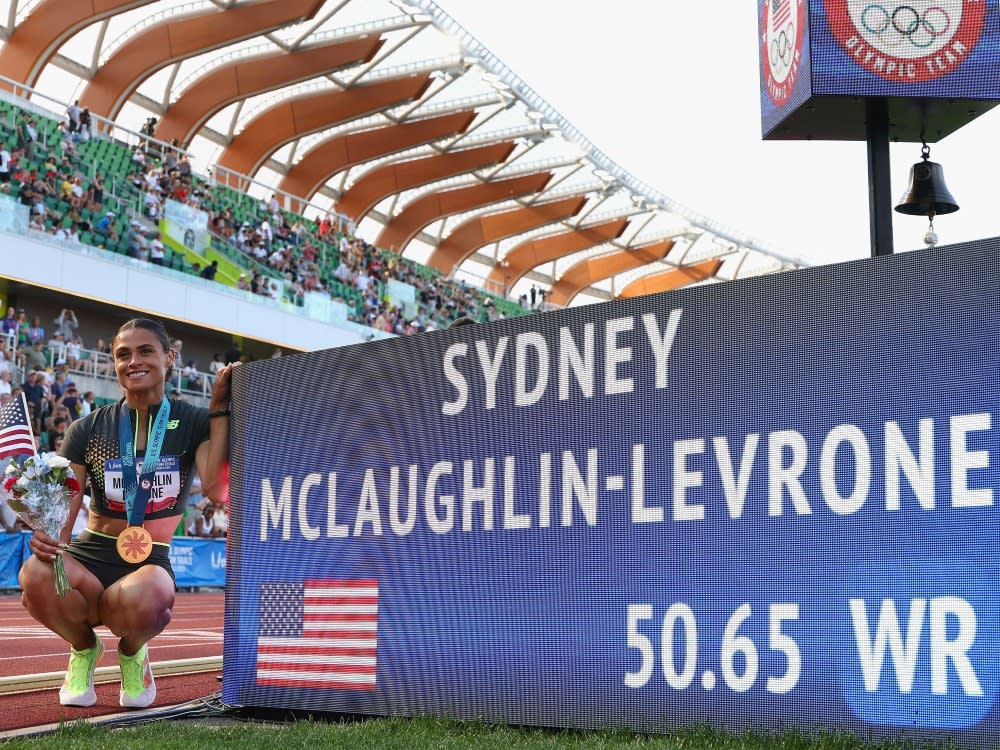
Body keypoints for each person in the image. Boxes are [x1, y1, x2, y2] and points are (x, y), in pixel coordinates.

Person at [19, 318, 235, 710]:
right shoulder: (88, 428)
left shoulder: (192, 421)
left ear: (169, 358)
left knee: (153, 592)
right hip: (91, 554)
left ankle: (133, 653)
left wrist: (219, 408)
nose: (133, 361)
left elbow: (219, 491)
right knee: (35, 573)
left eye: (145, 351)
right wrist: (46, 536)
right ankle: (84, 649)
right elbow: (63, 521)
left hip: (149, 560)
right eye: (123, 354)